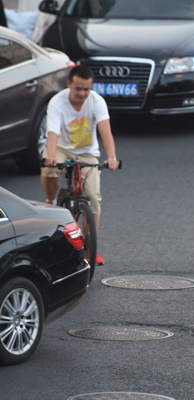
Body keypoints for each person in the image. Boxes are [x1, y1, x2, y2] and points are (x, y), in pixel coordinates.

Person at [41, 65, 119, 266]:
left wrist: (111, 157)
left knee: (93, 196)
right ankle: (50, 200)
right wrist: (51, 156)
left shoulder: (96, 101)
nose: (83, 93)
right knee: (48, 168)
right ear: (69, 85)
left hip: (86, 152)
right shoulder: (57, 102)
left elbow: (106, 132)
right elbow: (52, 134)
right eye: (78, 89)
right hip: (61, 148)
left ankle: (90, 245)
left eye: (87, 89)